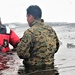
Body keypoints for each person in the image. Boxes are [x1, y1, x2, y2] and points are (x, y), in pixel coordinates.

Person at [16, 5, 59, 75]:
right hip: (50, 69)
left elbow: (21, 54)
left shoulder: (30, 32)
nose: (27, 19)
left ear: (31, 17)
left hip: (32, 70)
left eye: (27, 17)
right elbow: (56, 47)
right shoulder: (51, 30)